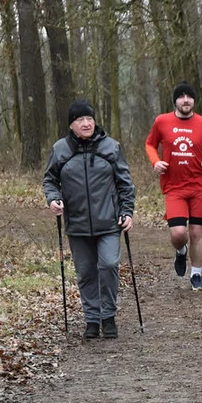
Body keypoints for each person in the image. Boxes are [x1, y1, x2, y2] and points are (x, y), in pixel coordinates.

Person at [43, 99, 135, 340]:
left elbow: (125, 183)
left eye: (89, 118)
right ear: (71, 125)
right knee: (85, 273)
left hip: (109, 223)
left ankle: (108, 316)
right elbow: (50, 180)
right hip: (77, 224)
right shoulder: (60, 149)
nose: (86, 123)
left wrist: (127, 212)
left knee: (108, 264)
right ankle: (92, 320)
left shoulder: (111, 147)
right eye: (80, 120)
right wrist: (53, 199)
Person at [145, 82, 202, 291]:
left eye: (189, 96)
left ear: (194, 101)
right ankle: (180, 251)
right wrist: (155, 161)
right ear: (175, 101)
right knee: (179, 233)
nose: (186, 100)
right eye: (181, 96)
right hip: (174, 186)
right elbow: (150, 144)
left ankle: (196, 275)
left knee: (197, 231)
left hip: (199, 185)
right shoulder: (162, 122)